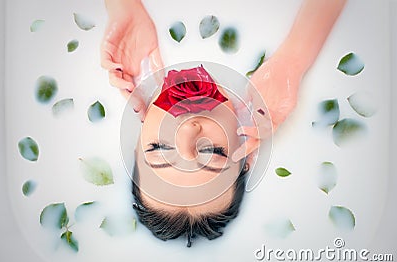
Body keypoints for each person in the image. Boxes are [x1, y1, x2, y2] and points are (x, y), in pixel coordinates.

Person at [101, 0, 347, 247]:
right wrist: (292, 62)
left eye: (160, 148)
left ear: (138, 138)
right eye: (212, 151)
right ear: (245, 150)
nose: (188, 128)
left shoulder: (136, 45)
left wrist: (123, 8)